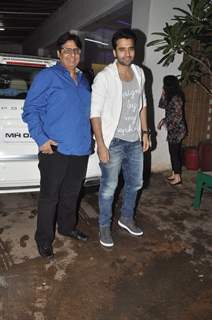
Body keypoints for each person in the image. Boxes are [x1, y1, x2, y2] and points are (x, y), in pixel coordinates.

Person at [22, 32, 92, 257]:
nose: (72, 54)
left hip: (80, 149)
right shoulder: (48, 76)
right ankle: (43, 239)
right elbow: (30, 110)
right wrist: (41, 139)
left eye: (76, 50)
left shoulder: (84, 80)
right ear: (59, 53)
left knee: (72, 194)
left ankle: (67, 227)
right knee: (50, 197)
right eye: (68, 50)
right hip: (55, 149)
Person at [90, 28, 150, 248]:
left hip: (134, 139)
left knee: (136, 183)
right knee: (109, 187)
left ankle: (126, 218)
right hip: (112, 141)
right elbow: (94, 114)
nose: (127, 53)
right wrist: (101, 145)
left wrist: (145, 133)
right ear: (114, 52)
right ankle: (104, 226)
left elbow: (143, 104)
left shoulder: (140, 73)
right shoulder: (104, 77)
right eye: (122, 49)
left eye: (130, 49)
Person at [157, 75, 187, 185]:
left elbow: (177, 116)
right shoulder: (171, 96)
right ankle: (175, 173)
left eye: (164, 84)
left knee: (174, 152)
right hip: (174, 129)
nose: (163, 85)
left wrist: (166, 122)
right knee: (173, 152)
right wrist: (163, 93)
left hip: (177, 130)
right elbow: (162, 105)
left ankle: (178, 177)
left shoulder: (177, 98)